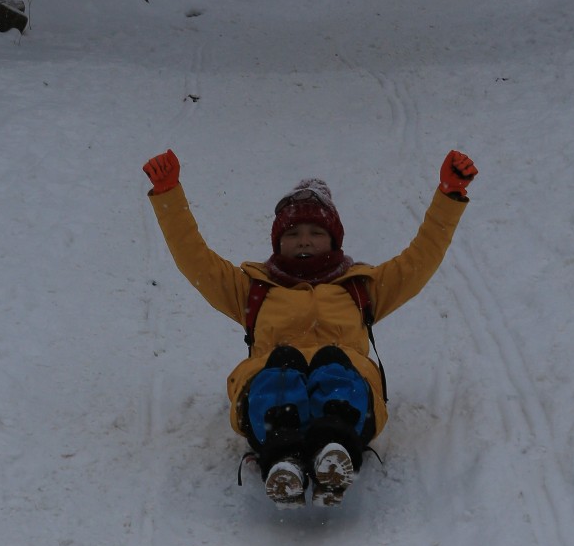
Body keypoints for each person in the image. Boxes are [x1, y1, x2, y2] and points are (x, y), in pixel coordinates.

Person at [141, 148, 478, 506]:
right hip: (270, 398)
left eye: (316, 232)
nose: (304, 240)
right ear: (277, 242)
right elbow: (196, 258)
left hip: (348, 399)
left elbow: (419, 259)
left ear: (334, 240)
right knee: (282, 361)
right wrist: (168, 193)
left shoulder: (359, 288)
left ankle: (335, 450)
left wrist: (449, 195)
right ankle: (283, 458)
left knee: (333, 359)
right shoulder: (253, 289)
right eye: (293, 233)